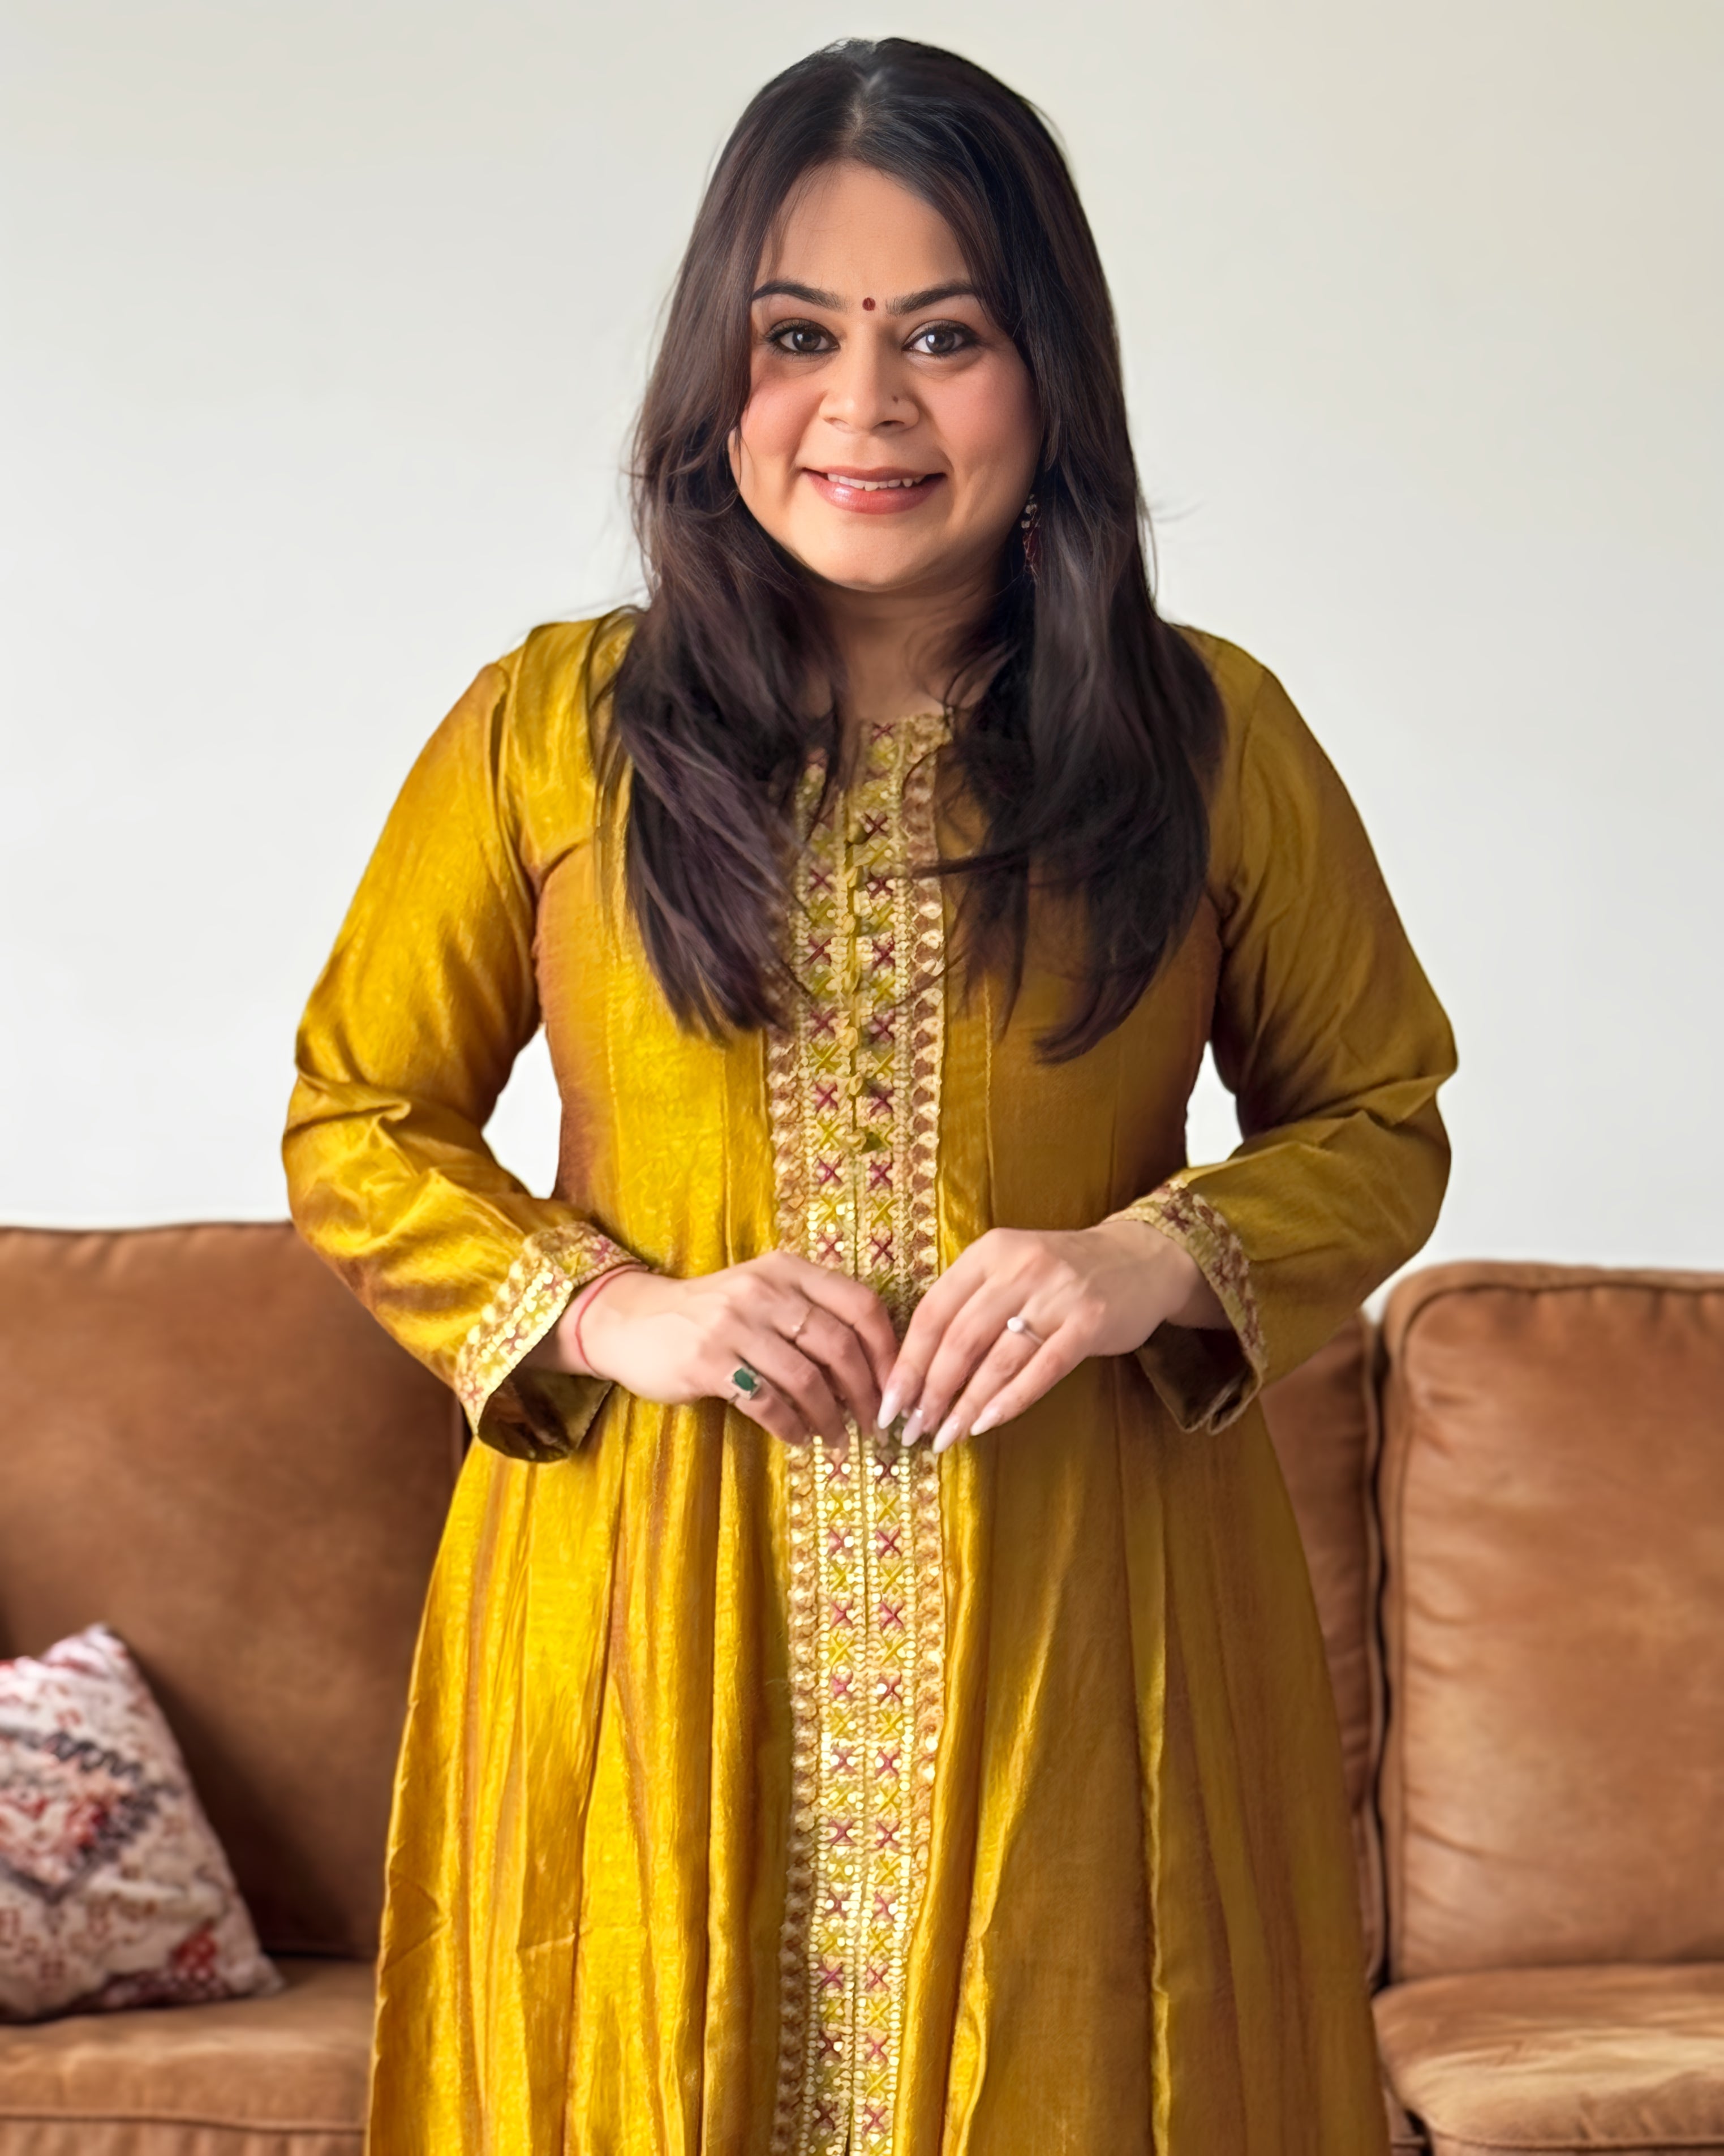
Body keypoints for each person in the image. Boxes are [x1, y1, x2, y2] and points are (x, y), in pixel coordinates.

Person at [285, 37, 1453, 2155]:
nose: (867, 408)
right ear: (715, 377)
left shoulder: (1207, 740)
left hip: (1090, 1625)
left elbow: (1382, 1116)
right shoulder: (555, 733)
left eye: (947, 335)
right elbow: (358, 1116)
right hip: (648, 1616)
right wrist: (617, 1305)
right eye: (799, 335)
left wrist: (1143, 1256)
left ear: (1052, 375)